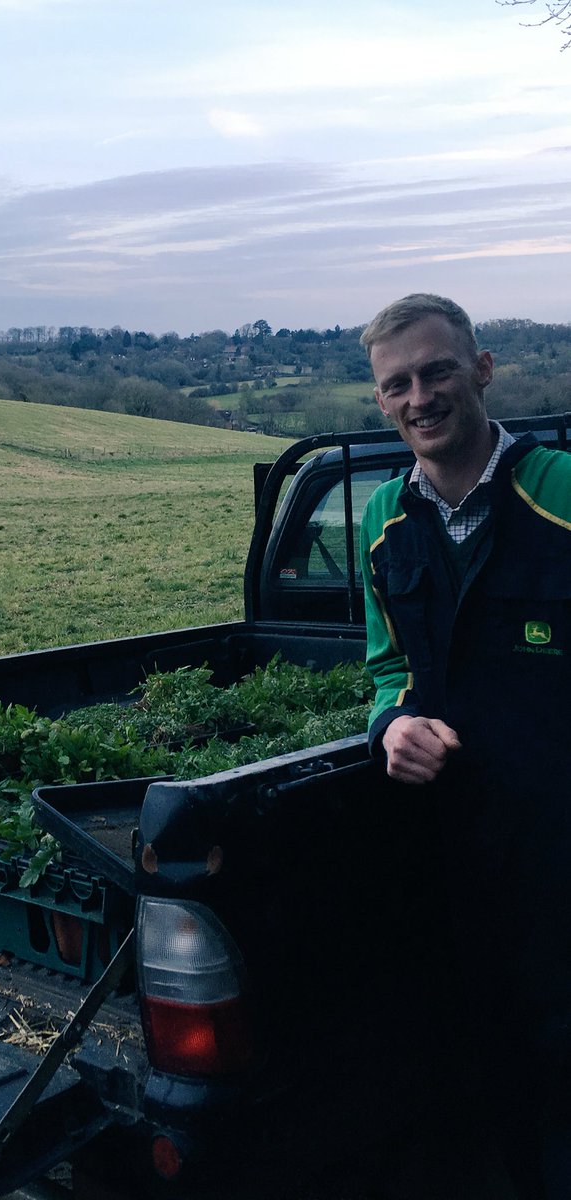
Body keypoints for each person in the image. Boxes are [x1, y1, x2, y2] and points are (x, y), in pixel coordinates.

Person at [358, 293, 571, 1199]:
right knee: (497, 1082)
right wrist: (390, 726)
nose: (420, 397)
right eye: (396, 384)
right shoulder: (382, 520)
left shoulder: (560, 490)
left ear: (482, 371)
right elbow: (383, 667)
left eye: (437, 370)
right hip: (458, 860)